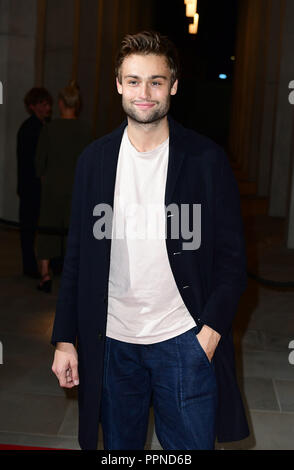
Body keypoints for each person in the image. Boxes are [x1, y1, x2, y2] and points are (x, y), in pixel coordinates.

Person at [51, 31, 250, 450]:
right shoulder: (94, 161)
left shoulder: (205, 161)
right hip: (112, 344)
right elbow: (77, 258)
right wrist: (66, 338)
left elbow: (232, 260)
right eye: (135, 80)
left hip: (183, 341)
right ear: (119, 85)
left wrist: (209, 336)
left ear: (173, 86)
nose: (145, 93)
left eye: (156, 81)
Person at [35, 80, 92, 293]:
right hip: (76, 189)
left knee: (46, 232)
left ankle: (46, 275)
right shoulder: (86, 130)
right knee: (74, 233)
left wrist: (44, 179)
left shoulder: (49, 129)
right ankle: (72, 278)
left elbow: (40, 162)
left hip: (52, 189)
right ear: (77, 104)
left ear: (60, 104)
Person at [17, 87, 52, 278]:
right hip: (33, 186)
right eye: (43, 104)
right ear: (33, 106)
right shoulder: (33, 129)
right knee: (29, 228)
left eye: (48, 103)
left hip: (31, 185)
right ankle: (30, 267)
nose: (47, 107)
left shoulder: (37, 127)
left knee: (31, 228)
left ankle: (33, 266)